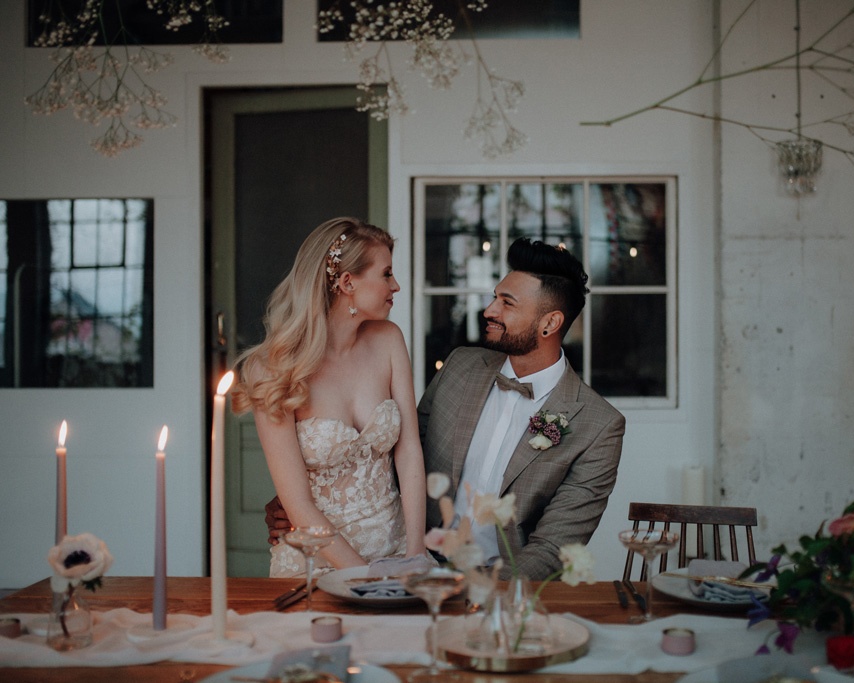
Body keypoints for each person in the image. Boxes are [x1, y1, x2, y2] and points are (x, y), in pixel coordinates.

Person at [267, 238, 625, 580]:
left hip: (498, 584)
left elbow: (551, 550)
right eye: (494, 297)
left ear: (550, 323)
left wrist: (474, 591)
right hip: (408, 559)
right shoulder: (460, 367)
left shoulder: (598, 427)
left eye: (507, 303)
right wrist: (302, 501)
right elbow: (393, 453)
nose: (489, 311)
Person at [233, 217, 427, 578]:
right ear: (347, 282)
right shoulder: (272, 370)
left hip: (398, 552)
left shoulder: (389, 340)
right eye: (386, 274)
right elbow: (298, 504)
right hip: (317, 559)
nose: (395, 285)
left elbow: (409, 452)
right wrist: (366, 579)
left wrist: (415, 552)